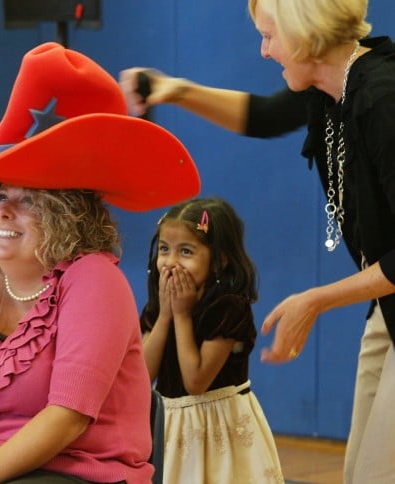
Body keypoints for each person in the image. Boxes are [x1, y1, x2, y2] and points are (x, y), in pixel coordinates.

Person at [0, 41, 201, 484]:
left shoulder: (93, 279)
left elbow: (68, 417)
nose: (3, 211)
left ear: (68, 213)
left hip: (76, 475)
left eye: (29, 199)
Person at [120, 0, 395, 482]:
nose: (263, 51)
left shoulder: (382, 97)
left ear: (307, 35)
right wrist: (175, 90)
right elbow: (264, 116)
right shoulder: (330, 85)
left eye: (270, 36)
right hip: (387, 305)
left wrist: (314, 301)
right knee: (361, 473)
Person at [140, 197, 283, 483]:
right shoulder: (160, 306)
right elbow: (142, 376)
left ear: (219, 260)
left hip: (218, 429)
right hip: (171, 426)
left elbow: (196, 382)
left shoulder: (228, 307)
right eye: (165, 250)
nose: (170, 263)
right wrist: (166, 315)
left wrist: (181, 317)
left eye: (186, 252)